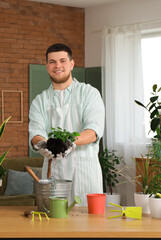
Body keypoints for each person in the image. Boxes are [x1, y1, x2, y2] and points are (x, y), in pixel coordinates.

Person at [28, 43, 105, 206]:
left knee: (88, 224)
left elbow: (93, 131)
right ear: (47, 66)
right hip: (53, 171)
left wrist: (69, 142)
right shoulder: (39, 101)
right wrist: (44, 144)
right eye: (52, 62)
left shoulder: (89, 93)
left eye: (62, 61)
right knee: (53, 221)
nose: (57, 66)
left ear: (71, 64)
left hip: (85, 171)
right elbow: (35, 132)